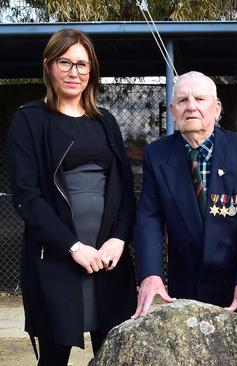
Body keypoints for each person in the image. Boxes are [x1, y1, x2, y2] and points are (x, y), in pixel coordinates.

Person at [7, 29, 137, 365]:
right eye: (65, 62)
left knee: (113, 353)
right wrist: (72, 247)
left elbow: (124, 188)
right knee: (54, 355)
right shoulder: (29, 119)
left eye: (82, 64)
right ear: (49, 66)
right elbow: (27, 196)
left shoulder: (106, 121)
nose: (73, 72)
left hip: (109, 258)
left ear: (91, 71)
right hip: (56, 258)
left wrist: (119, 239)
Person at [132, 71, 237, 320]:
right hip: (186, 289)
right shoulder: (156, 155)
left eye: (200, 99)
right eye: (183, 100)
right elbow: (149, 218)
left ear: (217, 108)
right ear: (172, 110)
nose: (191, 107)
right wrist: (150, 275)